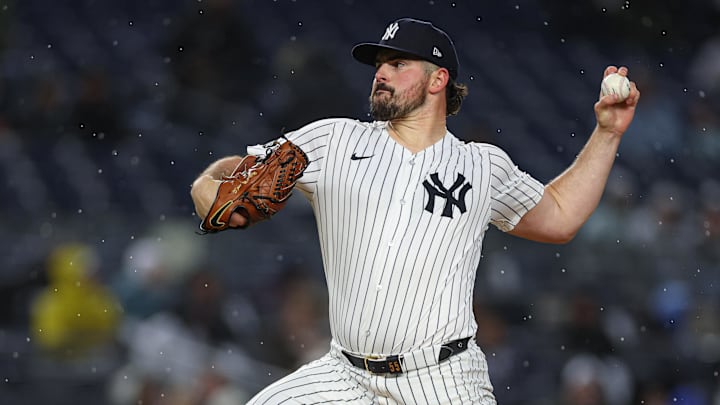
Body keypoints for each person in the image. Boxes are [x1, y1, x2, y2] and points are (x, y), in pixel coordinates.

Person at [190, 17, 640, 405]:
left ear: (437, 79)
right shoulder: (333, 140)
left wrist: (607, 133)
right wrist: (212, 180)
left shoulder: (482, 165)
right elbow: (224, 197)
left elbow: (559, 216)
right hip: (345, 377)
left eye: (397, 63)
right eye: (379, 65)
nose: (381, 73)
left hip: (443, 379)